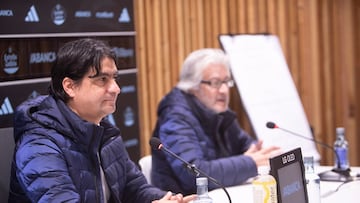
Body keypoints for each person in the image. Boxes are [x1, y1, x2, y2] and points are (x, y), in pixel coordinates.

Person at [8, 38, 195, 203]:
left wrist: (165, 199)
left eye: (114, 78)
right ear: (70, 86)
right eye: (102, 79)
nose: (116, 89)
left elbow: (135, 189)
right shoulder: (39, 146)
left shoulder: (105, 133)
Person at [151, 48, 281, 195]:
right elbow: (194, 173)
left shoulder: (218, 111)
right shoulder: (175, 117)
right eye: (215, 83)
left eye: (226, 81)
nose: (224, 90)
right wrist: (250, 163)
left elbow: (246, 145)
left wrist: (257, 154)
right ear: (193, 86)